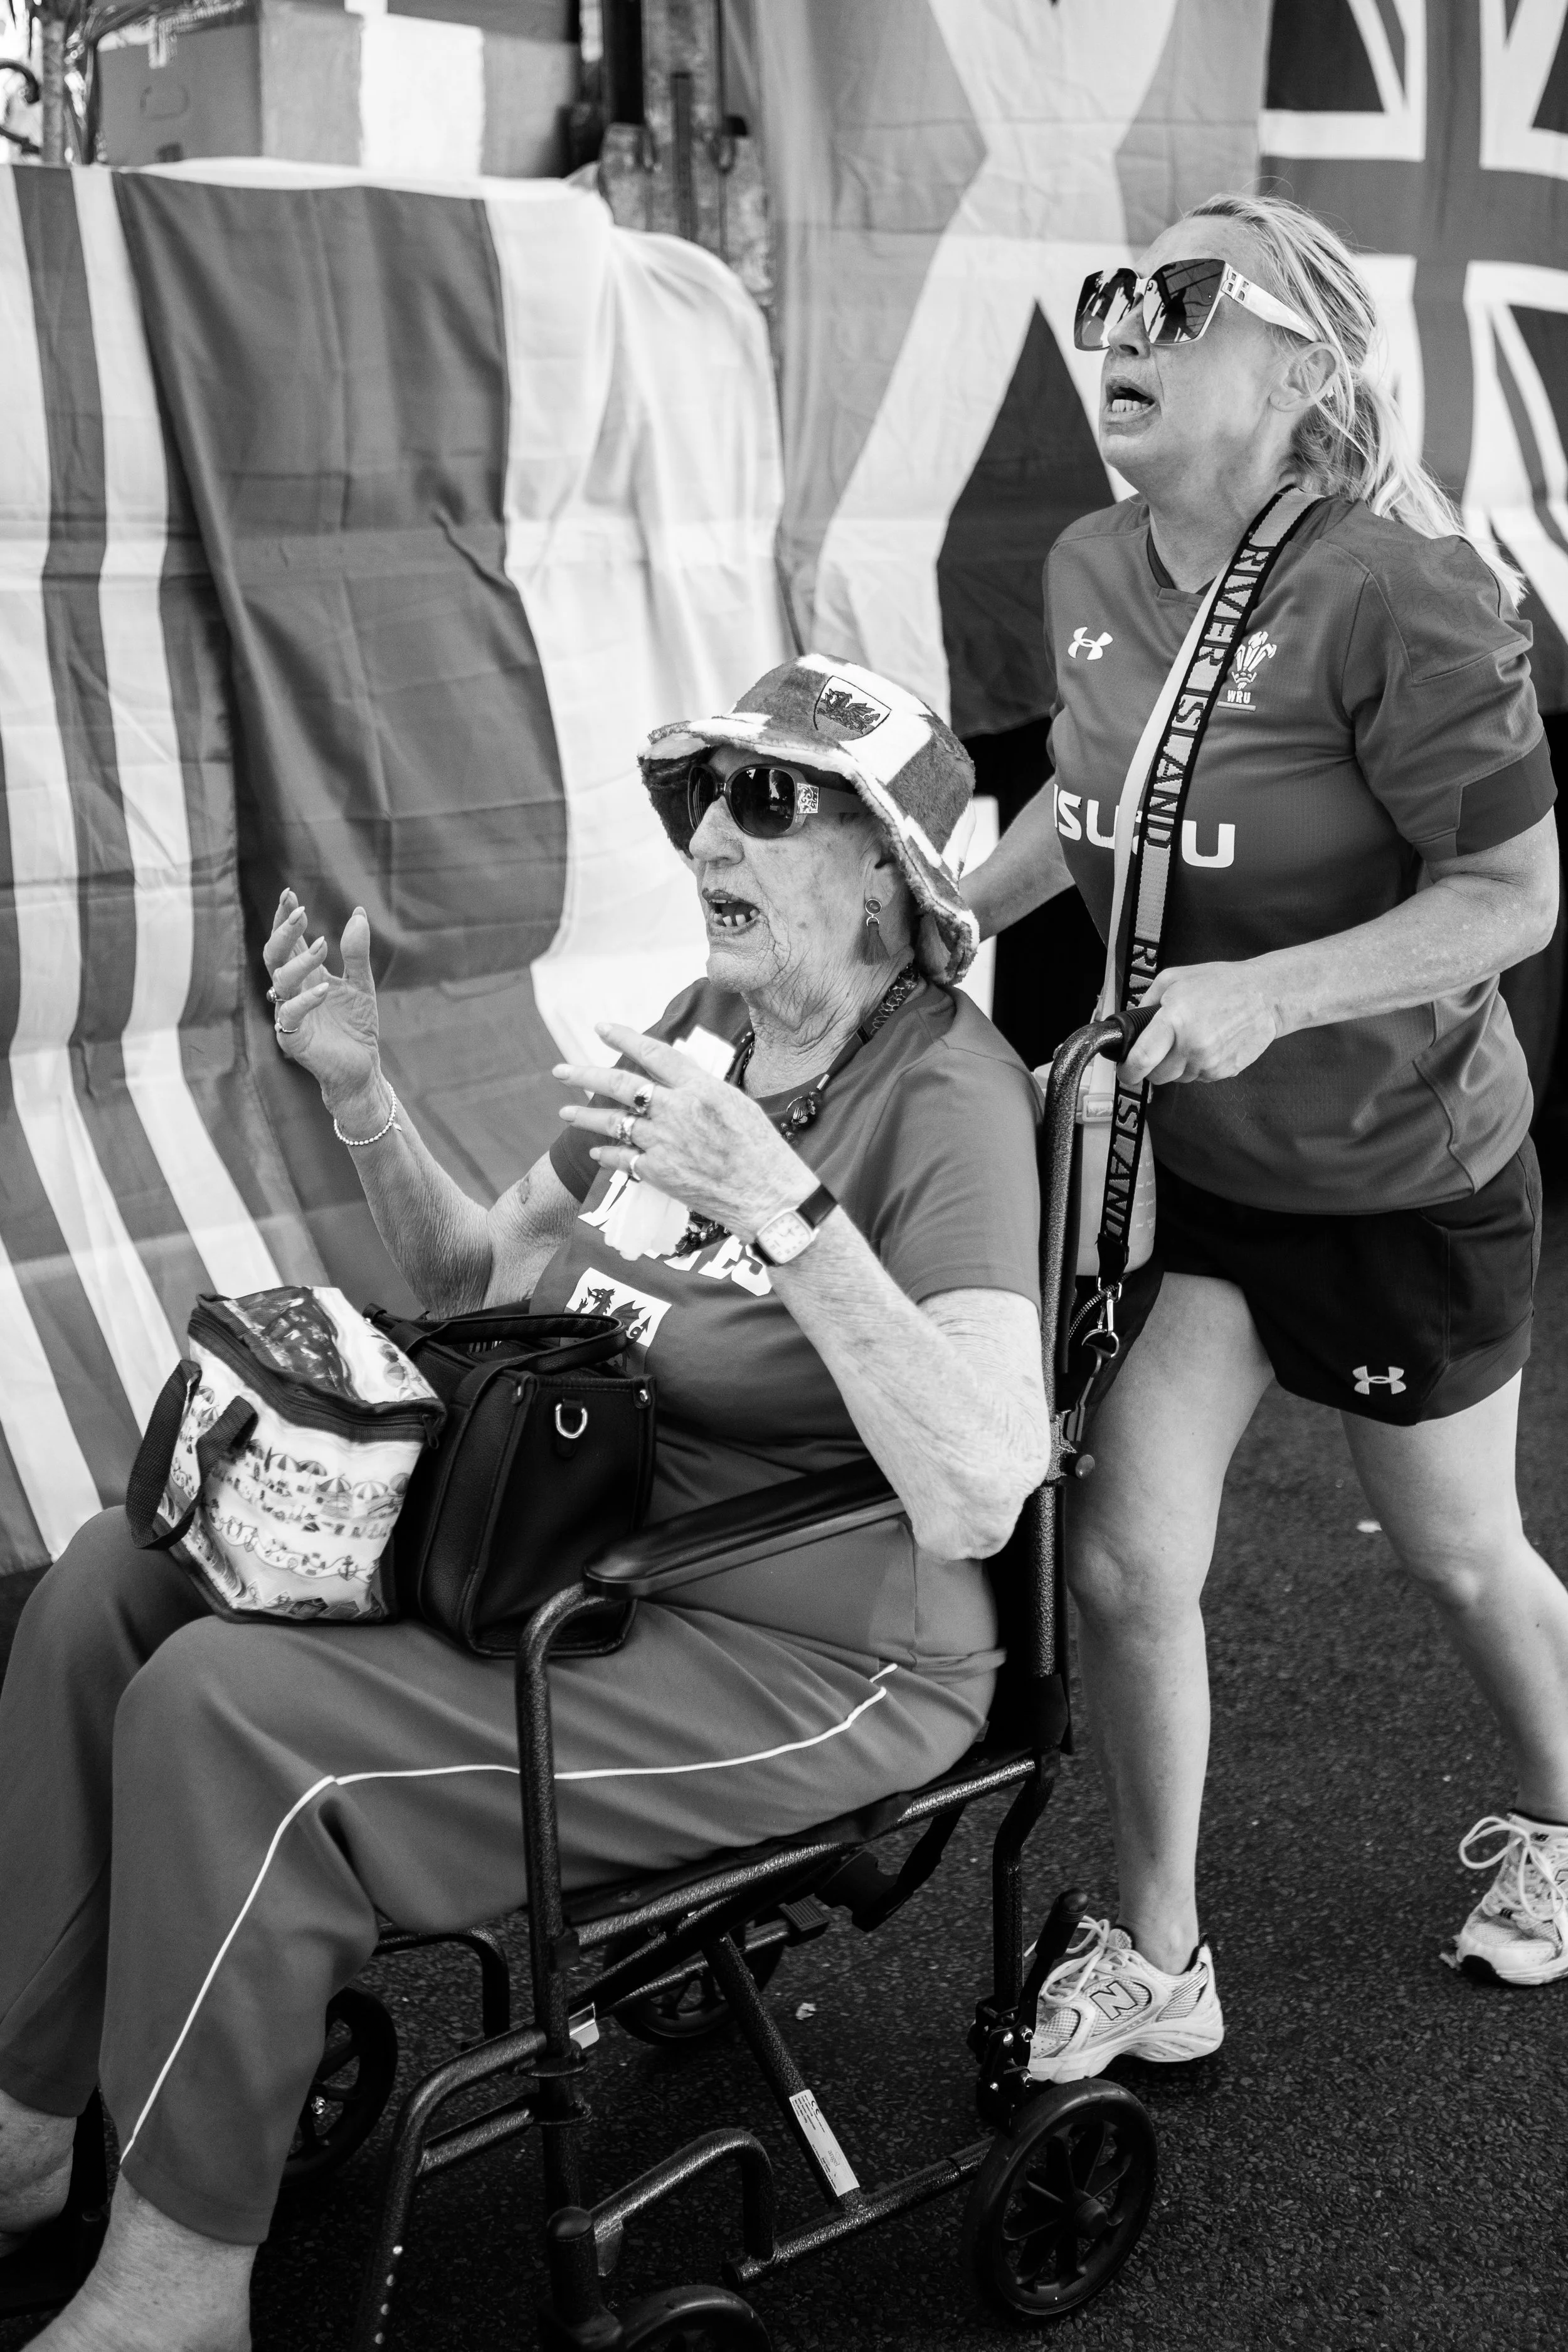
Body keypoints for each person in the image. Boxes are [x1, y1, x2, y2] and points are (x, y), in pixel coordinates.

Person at [0, 655, 1049, 2350]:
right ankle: (22, 2127)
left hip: (815, 1647)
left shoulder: (950, 1099)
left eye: (765, 796)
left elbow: (986, 1480)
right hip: (579, 1556)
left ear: (885, 868)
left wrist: (786, 1212)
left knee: (228, 1712)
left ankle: (177, 2283)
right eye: (701, 795)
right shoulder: (710, 1027)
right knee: (114, 1580)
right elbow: (480, 1261)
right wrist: (363, 1098)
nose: (711, 825)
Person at [950, 191, 1567, 2080]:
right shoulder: (1085, 560)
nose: (1119, 322)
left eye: (1176, 296)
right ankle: (1159, 1949)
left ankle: (1560, 1815)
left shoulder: (1400, 591)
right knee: (1128, 1563)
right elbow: (1092, 801)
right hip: (1202, 1182)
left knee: (1452, 1554)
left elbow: (1513, 894)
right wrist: (942, 916)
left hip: (1399, 1175)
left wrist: (1271, 993)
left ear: (1297, 365)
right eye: (1108, 291)